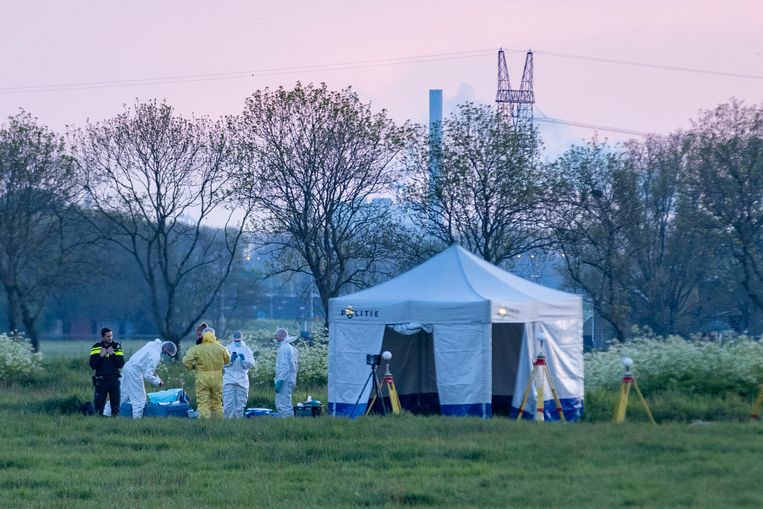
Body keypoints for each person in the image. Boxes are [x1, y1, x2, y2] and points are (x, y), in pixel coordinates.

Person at [120, 339, 178, 418]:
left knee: (121, 395)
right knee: (139, 400)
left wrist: (157, 377)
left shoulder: (152, 344)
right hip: (135, 372)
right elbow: (148, 375)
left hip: (128, 367)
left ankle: (106, 414)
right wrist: (158, 382)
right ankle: (136, 422)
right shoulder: (156, 356)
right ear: (166, 349)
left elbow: (149, 367)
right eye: (167, 354)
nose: (166, 355)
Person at [182, 327, 230, 418]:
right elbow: (228, 360)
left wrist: (193, 367)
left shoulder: (196, 349)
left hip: (202, 378)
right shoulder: (221, 348)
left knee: (203, 403)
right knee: (217, 402)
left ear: (203, 335)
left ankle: (205, 423)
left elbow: (185, 361)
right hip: (217, 379)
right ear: (214, 335)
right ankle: (218, 423)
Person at [89, 327, 125, 416]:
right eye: (108, 336)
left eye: (111, 336)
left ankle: (114, 423)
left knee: (115, 406)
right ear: (103, 336)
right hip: (101, 380)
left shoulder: (116, 347)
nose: (110, 338)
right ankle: (97, 422)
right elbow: (92, 365)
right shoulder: (96, 347)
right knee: (98, 405)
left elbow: (121, 364)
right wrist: (101, 355)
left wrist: (112, 354)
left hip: (114, 379)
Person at [223, 331, 255, 418]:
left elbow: (251, 364)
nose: (237, 341)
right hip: (229, 379)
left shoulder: (247, 350)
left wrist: (244, 360)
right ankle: (228, 422)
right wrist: (230, 360)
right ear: (233, 339)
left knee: (241, 403)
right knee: (228, 403)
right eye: (236, 339)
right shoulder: (227, 349)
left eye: (239, 339)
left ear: (242, 338)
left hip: (242, 379)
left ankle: (238, 422)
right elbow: (222, 364)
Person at [274, 327, 299, 417]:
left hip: (285, 379)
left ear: (280, 336)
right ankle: (287, 422)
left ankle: (287, 423)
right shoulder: (291, 348)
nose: (275, 338)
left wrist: (280, 380)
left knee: (283, 404)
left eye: (276, 336)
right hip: (290, 378)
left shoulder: (284, 349)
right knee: (286, 401)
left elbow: (285, 367)